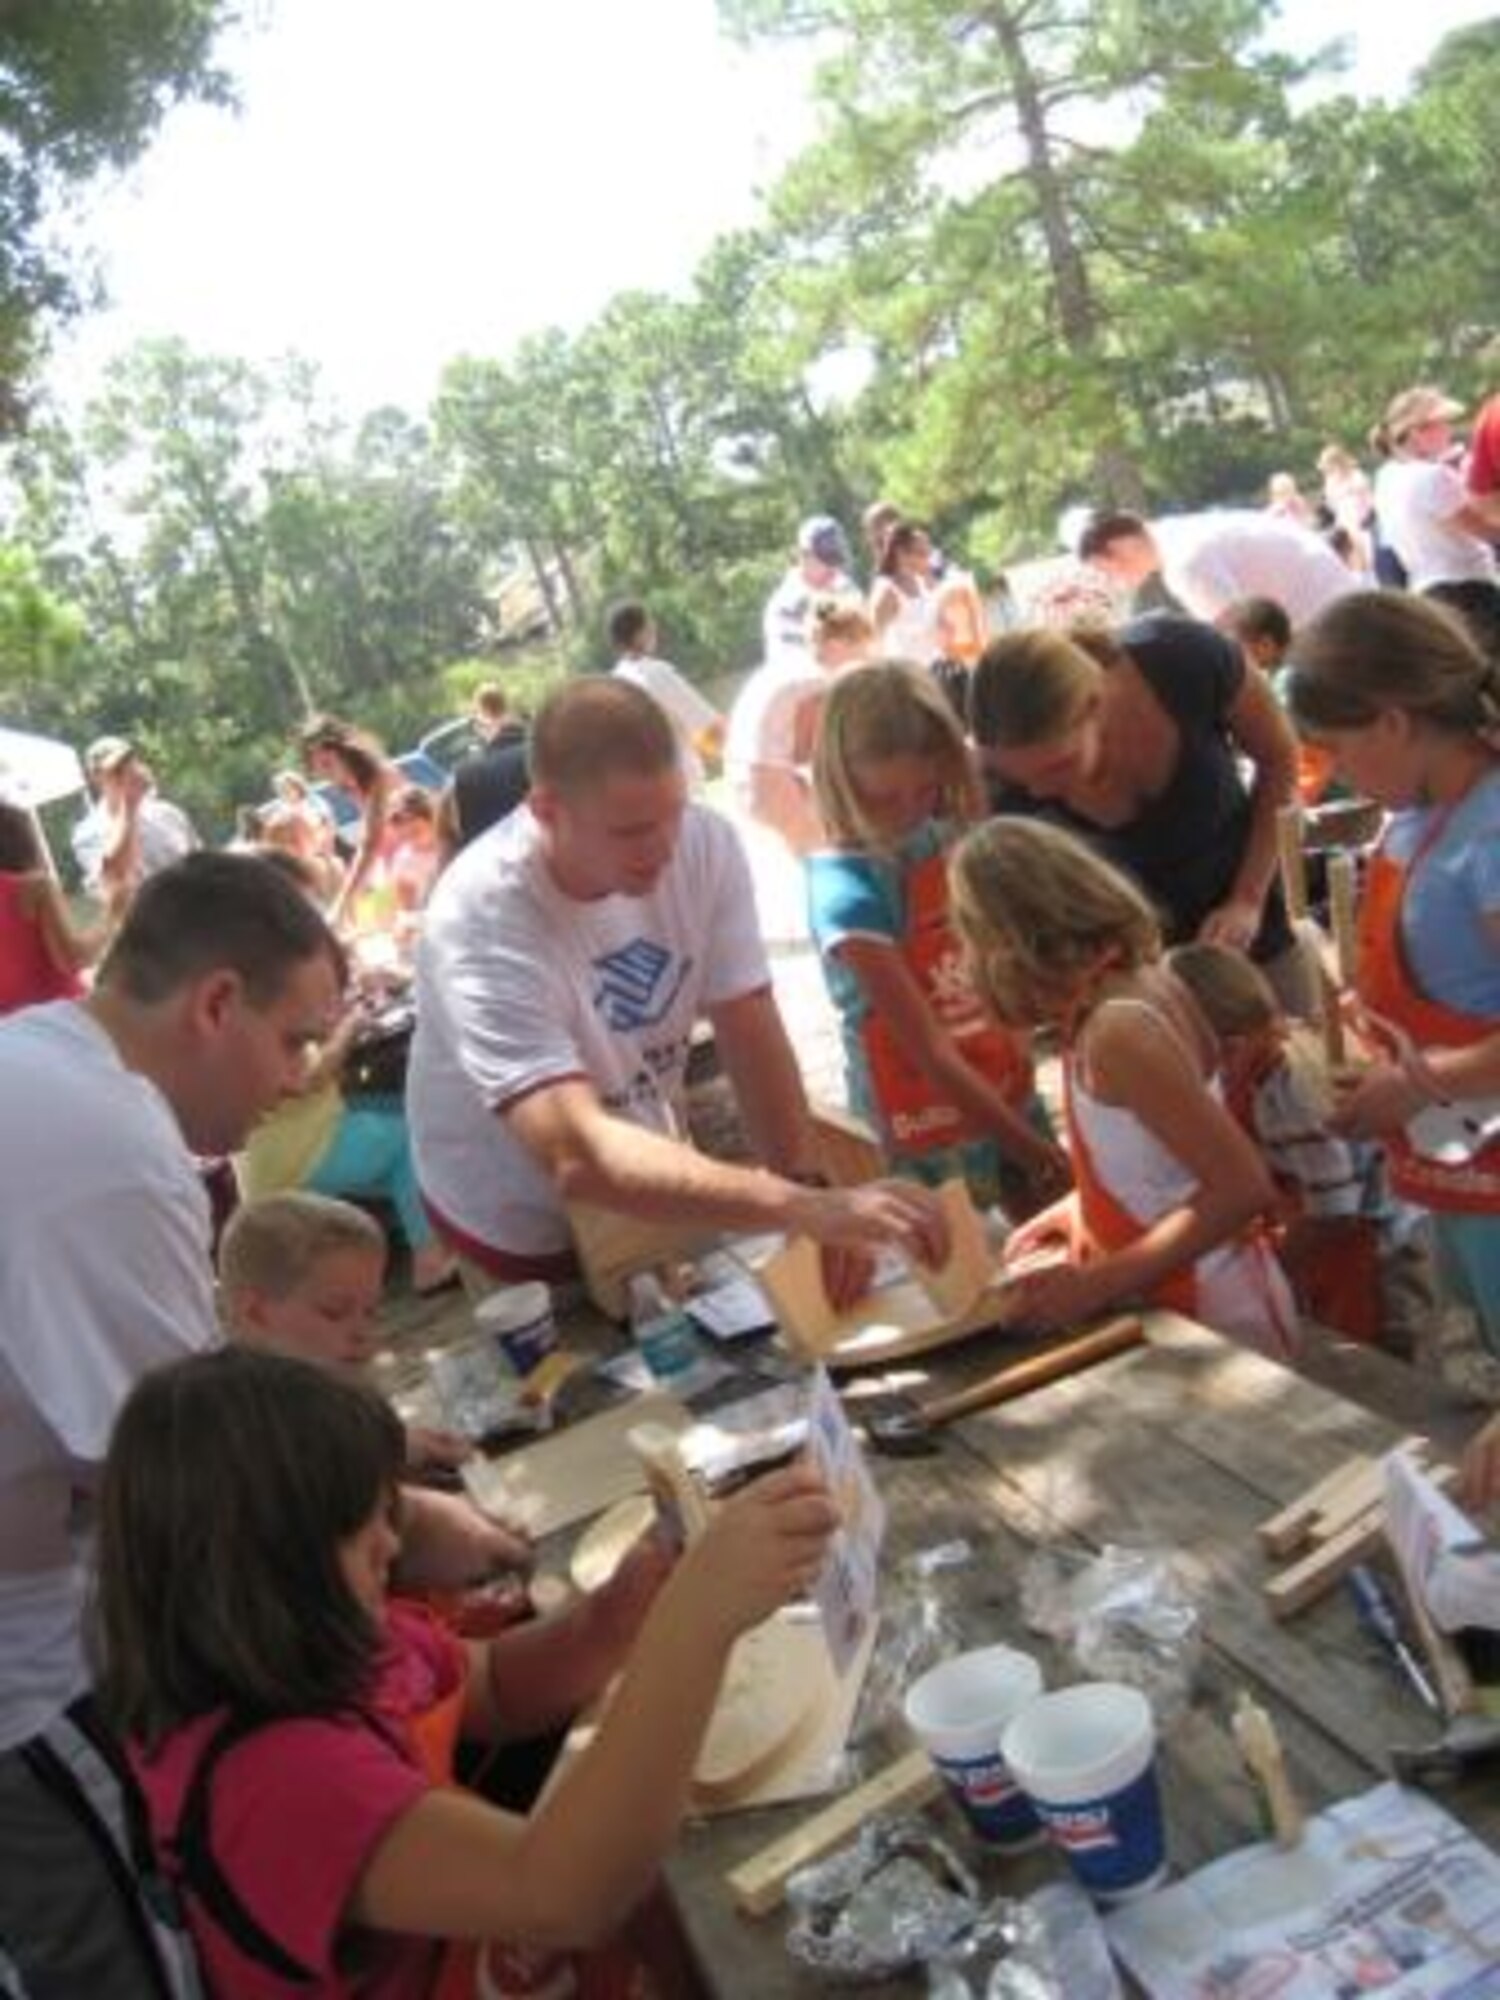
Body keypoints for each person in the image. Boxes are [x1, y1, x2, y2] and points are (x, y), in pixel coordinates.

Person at [96, 1345, 838, 1997]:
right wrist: (693, 1627)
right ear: (266, 1576)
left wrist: (612, 1619)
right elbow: (566, 1895)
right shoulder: (274, 1784)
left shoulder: (330, 1631)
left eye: (390, 1515)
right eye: (365, 1538)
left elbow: (495, 1690)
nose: (393, 1549)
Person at [0, 852, 344, 1992]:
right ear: (214, 1003)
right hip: (26, 1681)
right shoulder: (104, 1139)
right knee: (129, 1963)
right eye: (294, 1039)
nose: (297, 1080)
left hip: (47, 1598)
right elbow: (190, 1480)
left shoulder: (46, 1063)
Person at [409, 678, 946, 1299]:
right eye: (632, 831)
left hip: (640, 1174)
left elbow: (749, 1024)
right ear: (546, 812)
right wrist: (796, 1208)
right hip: (511, 1215)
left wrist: (807, 1187)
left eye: (673, 813)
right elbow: (574, 1153)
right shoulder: (479, 920)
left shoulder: (703, 842)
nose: (664, 848)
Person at [950, 820, 1297, 1354]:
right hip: (1178, 1302)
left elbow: (1242, 1187)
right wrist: (1076, 1209)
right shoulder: (1119, 994)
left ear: (1010, 943)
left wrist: (1095, 1286)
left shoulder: (1119, 1029)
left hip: (1212, 1314)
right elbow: (1156, 1166)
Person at [1286, 590, 1500, 1357]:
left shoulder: (1491, 831)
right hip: (1456, 1176)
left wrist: (1418, 1082)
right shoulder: (1415, 819)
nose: (1336, 774)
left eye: (1335, 749)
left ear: (1393, 720)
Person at [808, 663, 1069, 1216]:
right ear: (840, 778)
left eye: (925, 790)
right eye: (884, 796)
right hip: (922, 1118)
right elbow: (927, 1052)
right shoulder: (844, 891)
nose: (907, 811)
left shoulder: (944, 835)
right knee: (960, 1277)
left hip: (1001, 1085)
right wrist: (1038, 1155)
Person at [971, 618, 1314, 1014]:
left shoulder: (1181, 657)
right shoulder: (997, 784)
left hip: (1255, 931)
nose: (1038, 792)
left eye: (1056, 767)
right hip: (1136, 989)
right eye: (1018, 777)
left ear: (1095, 704)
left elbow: (1280, 756)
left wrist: (1247, 899)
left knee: (1300, 1054)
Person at [1166, 941, 1426, 1348]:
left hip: (1378, 1246)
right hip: (1342, 1230)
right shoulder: (1275, 1047)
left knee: (1386, 1359)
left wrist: (1270, 1270)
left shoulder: (1286, 1098)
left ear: (1231, 1049)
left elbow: (1335, 1213)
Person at [725, 597, 875, 857]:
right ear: (838, 644)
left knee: (817, 852)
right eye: (864, 647)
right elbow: (810, 750)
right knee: (823, 857)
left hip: (744, 773)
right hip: (767, 777)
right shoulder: (816, 681)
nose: (866, 657)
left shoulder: (789, 664)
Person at [1077, 508, 1361, 629]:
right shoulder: (1178, 534)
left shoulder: (1184, 563)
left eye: (1106, 570)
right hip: (1336, 604)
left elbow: (1241, 644)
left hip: (1326, 621)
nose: (1113, 581)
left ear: (1119, 547)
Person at [1370, 386, 1500, 601]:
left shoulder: (1386, 477)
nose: (1448, 430)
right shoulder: (1432, 476)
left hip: (1426, 588)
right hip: (1467, 588)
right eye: (1441, 424)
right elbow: (1484, 529)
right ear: (1415, 432)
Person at [1217, 596, 1340, 808]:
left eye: (1239, 649)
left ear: (1266, 644)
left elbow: (1283, 744)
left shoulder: (1288, 681)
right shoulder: (1300, 663)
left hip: (1328, 789)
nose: (1236, 659)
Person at [301, 714, 410, 929]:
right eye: (318, 768)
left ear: (345, 752)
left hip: (413, 867)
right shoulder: (355, 784)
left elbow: (372, 843)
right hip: (395, 868)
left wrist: (342, 904)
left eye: (327, 764)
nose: (324, 774)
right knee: (375, 926)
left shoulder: (380, 776)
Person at [71, 735, 199, 917]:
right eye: (116, 770)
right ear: (96, 777)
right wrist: (129, 805)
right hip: (147, 930)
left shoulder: (168, 813)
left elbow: (199, 864)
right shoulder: (87, 833)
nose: (127, 772)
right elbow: (115, 878)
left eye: (130, 763)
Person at [608, 599, 724, 790]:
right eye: (650, 625)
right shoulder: (656, 674)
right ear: (640, 634)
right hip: (679, 790)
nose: (655, 630)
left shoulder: (614, 684)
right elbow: (709, 728)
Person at [0, 798, 98, 1014]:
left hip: (11, 1036)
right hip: (65, 1021)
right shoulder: (34, 888)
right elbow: (74, 958)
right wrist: (115, 913)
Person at [762, 513, 858, 666]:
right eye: (825, 559)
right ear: (803, 555)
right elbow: (794, 665)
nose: (833, 568)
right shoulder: (786, 605)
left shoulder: (844, 586)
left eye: (835, 558)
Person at [869, 520, 944, 666]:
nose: (928, 560)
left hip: (931, 670)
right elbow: (875, 641)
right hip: (903, 674)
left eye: (928, 552)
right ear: (901, 554)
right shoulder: (887, 591)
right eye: (921, 553)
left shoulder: (923, 584)